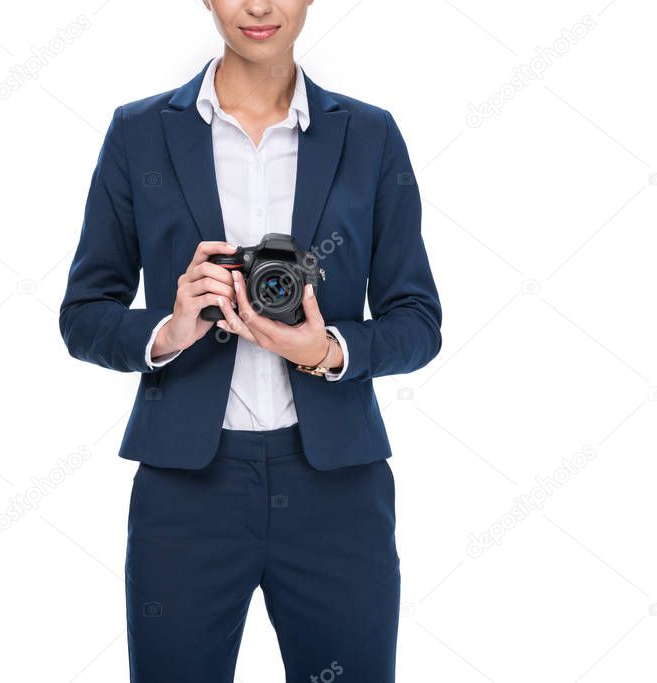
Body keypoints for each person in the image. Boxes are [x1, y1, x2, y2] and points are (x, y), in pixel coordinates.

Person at [59, 1, 442, 680]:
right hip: (185, 488)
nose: (259, 6)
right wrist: (169, 329)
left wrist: (326, 351)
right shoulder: (139, 132)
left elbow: (416, 320)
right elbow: (84, 313)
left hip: (337, 488)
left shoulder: (370, 136)